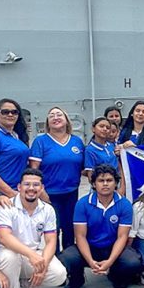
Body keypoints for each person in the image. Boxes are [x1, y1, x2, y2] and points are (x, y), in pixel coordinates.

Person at [0, 169, 67, 288]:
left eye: (36, 184)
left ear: (42, 188)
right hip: (2, 255)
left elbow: (51, 241)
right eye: (27, 184)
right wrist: (33, 256)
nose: (31, 188)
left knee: (59, 274)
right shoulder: (6, 206)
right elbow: (4, 238)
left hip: (29, 255)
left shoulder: (47, 209)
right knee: (11, 257)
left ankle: (23, 285)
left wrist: (42, 265)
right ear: (19, 187)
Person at [59, 165, 142, 288]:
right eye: (101, 181)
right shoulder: (83, 203)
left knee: (133, 262)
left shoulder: (124, 204)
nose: (105, 184)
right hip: (90, 246)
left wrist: (109, 262)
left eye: (109, 180)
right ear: (93, 183)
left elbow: (122, 237)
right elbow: (80, 236)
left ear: (115, 183)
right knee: (67, 257)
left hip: (112, 247)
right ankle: (77, 279)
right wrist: (91, 261)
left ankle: (115, 273)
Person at [30, 107, 86, 251]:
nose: (55, 117)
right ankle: (54, 266)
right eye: (51, 116)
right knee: (52, 231)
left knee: (70, 230)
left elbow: (84, 168)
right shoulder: (41, 141)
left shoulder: (77, 141)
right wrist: (40, 191)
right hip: (49, 195)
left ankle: (69, 266)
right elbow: (33, 169)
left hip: (71, 193)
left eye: (59, 114)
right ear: (48, 122)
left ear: (67, 120)